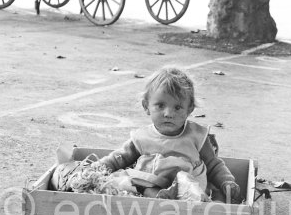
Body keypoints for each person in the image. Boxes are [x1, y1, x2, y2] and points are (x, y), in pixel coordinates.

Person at [96, 67, 241, 202]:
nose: (168, 114)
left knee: (213, 193)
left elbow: (214, 164)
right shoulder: (142, 137)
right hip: (151, 189)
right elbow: (117, 159)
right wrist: (96, 168)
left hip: (190, 193)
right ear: (146, 106)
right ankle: (159, 198)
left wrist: (226, 181)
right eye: (160, 105)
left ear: (189, 109)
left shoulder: (196, 135)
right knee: (123, 179)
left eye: (177, 107)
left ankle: (200, 205)